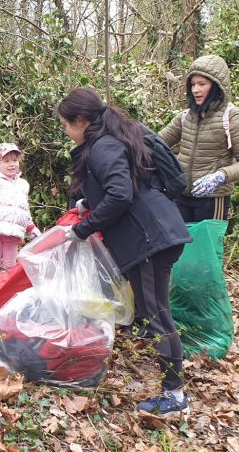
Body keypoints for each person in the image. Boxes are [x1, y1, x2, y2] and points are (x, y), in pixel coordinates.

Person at [57, 89, 193, 417]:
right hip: (152, 234)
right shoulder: (108, 140)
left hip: (148, 239)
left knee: (158, 314)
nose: (65, 131)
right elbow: (120, 186)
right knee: (154, 311)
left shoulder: (103, 146)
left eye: (65, 124)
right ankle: (172, 388)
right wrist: (87, 205)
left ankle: (174, 396)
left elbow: (121, 195)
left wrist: (81, 230)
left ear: (80, 121)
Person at [158, 54, 239, 222]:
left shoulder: (232, 117)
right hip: (181, 196)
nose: (195, 90)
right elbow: (157, 143)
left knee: (207, 247)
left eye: (202, 84)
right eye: (192, 84)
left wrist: (221, 176)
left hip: (213, 199)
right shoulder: (185, 117)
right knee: (180, 247)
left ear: (216, 86)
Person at [0, 142, 40, 275]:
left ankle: (8, 294)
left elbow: (23, 209)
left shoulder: (22, 185)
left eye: (15, 160)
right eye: (6, 161)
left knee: (10, 265)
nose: (12, 164)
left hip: (13, 230)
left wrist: (31, 227)